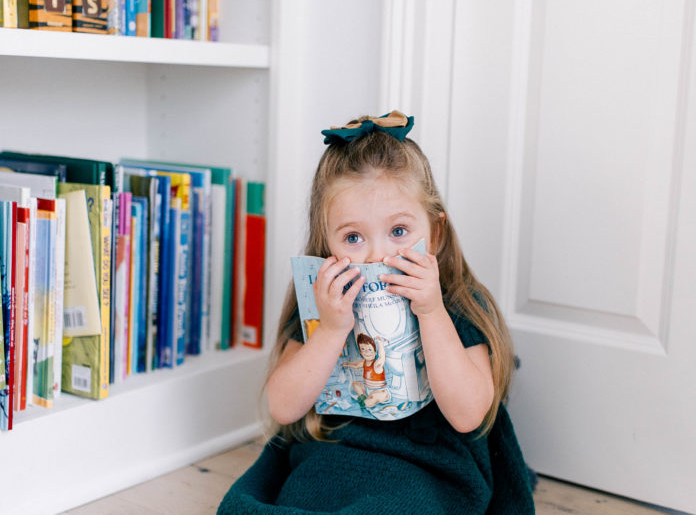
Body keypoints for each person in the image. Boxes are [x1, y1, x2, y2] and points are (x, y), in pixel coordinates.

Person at [218, 111, 535, 514]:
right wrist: (331, 329)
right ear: (326, 243)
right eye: (353, 237)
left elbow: (469, 414)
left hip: (430, 464)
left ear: (434, 233)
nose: (377, 255)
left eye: (399, 232)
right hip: (336, 452)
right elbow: (283, 407)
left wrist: (432, 311)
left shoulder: (459, 302)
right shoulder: (324, 299)